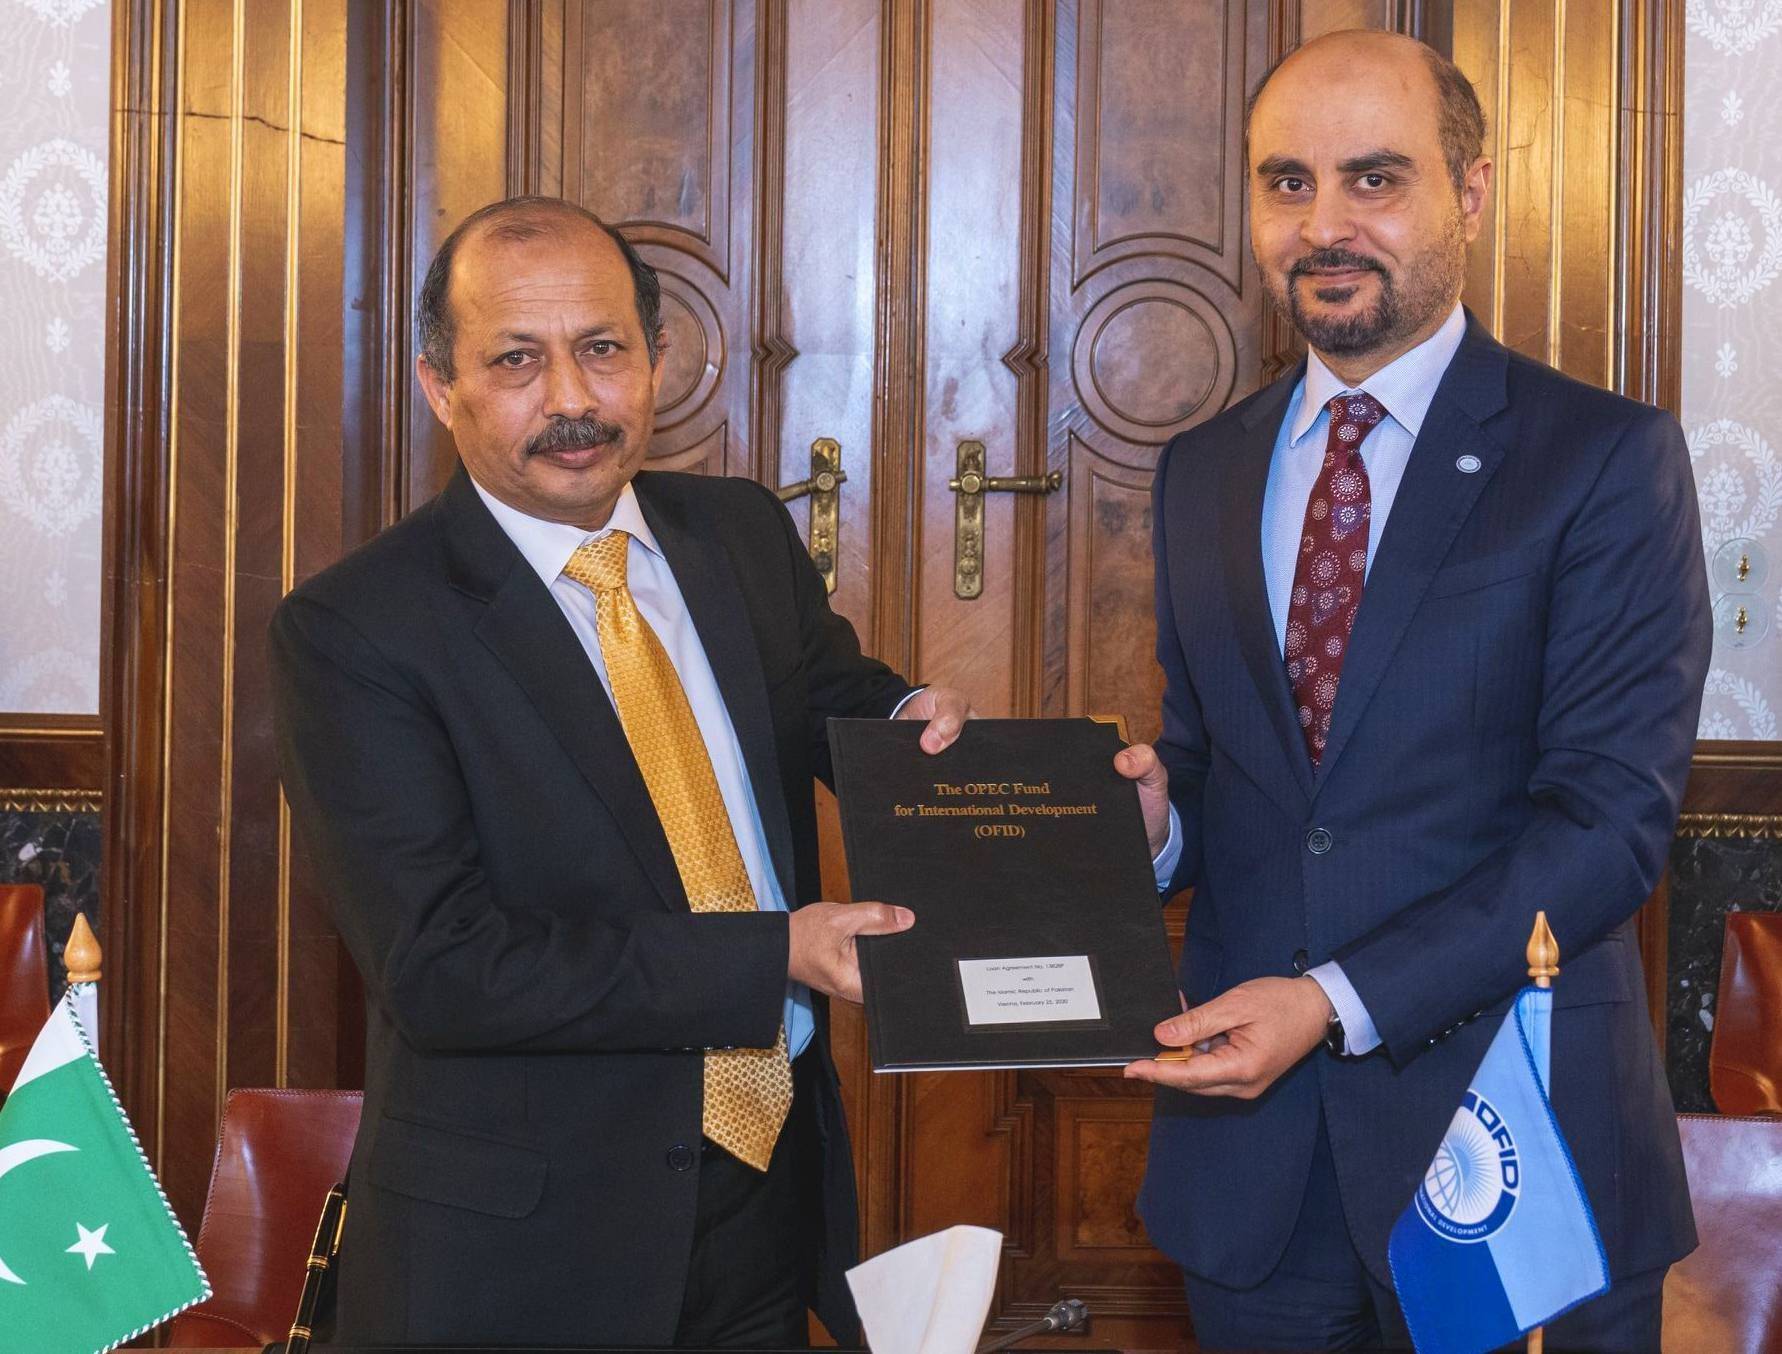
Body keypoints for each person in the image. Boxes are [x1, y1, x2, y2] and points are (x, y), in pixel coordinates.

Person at [268, 196, 979, 1346]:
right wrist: (775, 952)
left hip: (766, 1194)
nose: (571, 400)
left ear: (654, 359)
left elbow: (832, 701)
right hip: (524, 1244)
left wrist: (917, 725)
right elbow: (445, 968)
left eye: (603, 349)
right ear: (437, 387)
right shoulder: (357, 631)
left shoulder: (740, 534)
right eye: (516, 360)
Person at [1120, 30, 1707, 1352]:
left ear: (1472, 192)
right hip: (1251, 1182)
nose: (1322, 224)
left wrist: (1331, 997)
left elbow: (1608, 824)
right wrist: (1160, 816)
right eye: (1285, 183)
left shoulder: (1600, 460)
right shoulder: (1199, 470)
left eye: (1372, 179)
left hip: (1519, 1158)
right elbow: (1223, 768)